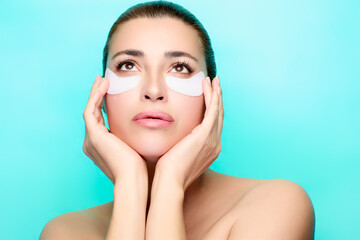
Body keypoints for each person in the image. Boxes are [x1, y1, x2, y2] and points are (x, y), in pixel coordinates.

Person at [40, 1, 315, 239]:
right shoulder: (65, 233)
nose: (153, 90)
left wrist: (169, 183)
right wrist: (130, 185)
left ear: (211, 98)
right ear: (101, 96)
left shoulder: (275, 206)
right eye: (128, 65)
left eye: (180, 68)